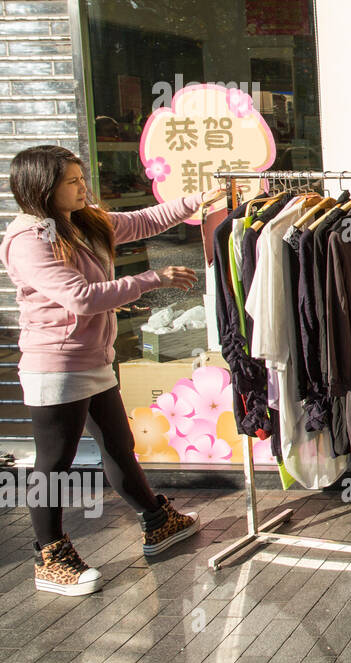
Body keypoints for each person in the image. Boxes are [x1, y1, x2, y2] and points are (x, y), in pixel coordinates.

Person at [1, 145, 224, 595]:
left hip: (93, 358)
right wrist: (153, 279)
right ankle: (50, 555)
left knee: (119, 446)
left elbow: (140, 222)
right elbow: (81, 297)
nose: (83, 187)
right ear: (43, 187)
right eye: (72, 182)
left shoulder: (80, 221)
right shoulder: (28, 240)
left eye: (82, 178)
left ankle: (157, 521)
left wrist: (194, 201)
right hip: (56, 364)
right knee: (53, 464)